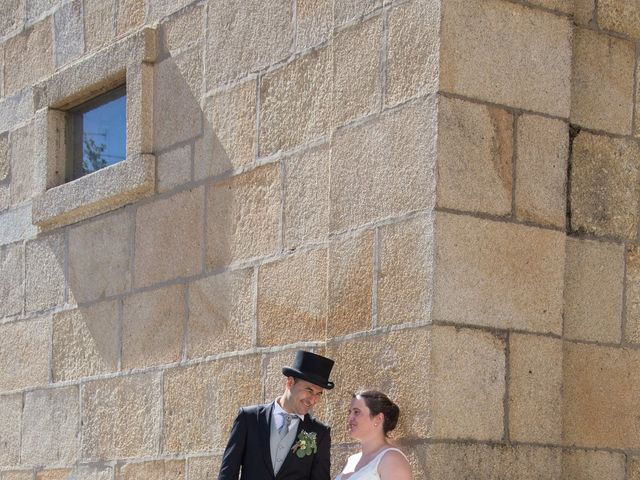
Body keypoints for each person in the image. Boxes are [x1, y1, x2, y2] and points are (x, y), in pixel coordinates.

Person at [218, 350, 335, 480]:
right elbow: (227, 474)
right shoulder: (249, 418)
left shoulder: (320, 432)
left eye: (318, 394)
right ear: (290, 383)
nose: (313, 400)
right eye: (309, 390)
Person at [335, 390, 412, 480]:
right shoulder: (351, 460)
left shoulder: (392, 459)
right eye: (349, 412)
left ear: (378, 419)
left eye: (357, 412)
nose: (349, 418)